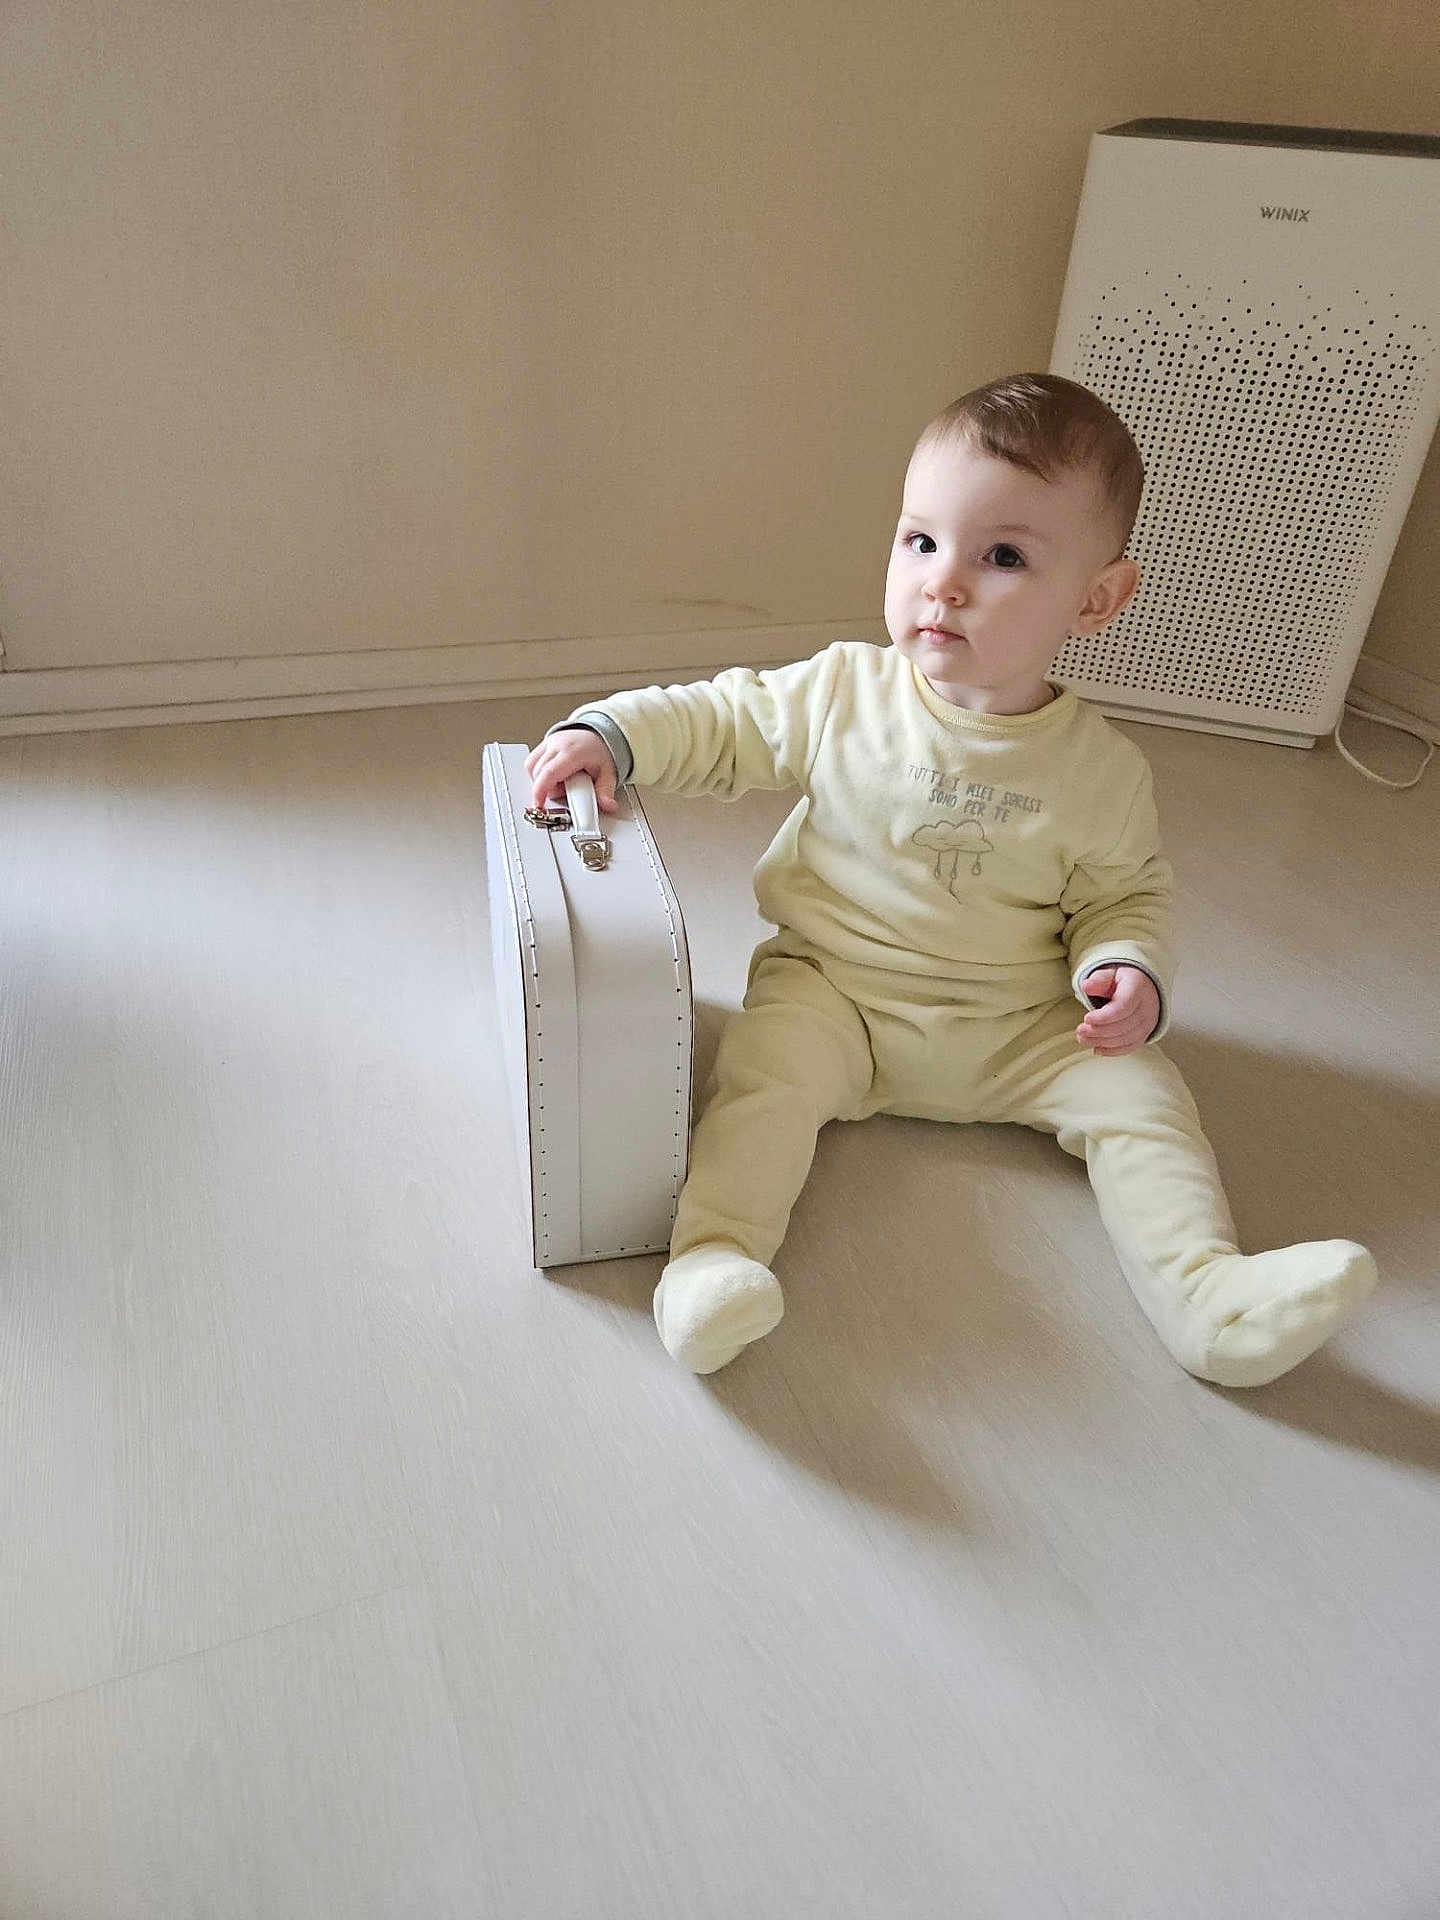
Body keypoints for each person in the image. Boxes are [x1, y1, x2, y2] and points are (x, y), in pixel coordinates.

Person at [524, 372, 1377, 1387]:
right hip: (836, 993)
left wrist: (1128, 969)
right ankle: (714, 1262)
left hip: (1021, 1027)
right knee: (761, 1086)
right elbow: (721, 718)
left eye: (1003, 556)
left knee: (1145, 1103)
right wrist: (612, 737)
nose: (944, 582)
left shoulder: (1101, 770)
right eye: (919, 540)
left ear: (1096, 599)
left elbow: (1126, 892)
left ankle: (1207, 1296)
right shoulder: (844, 691)